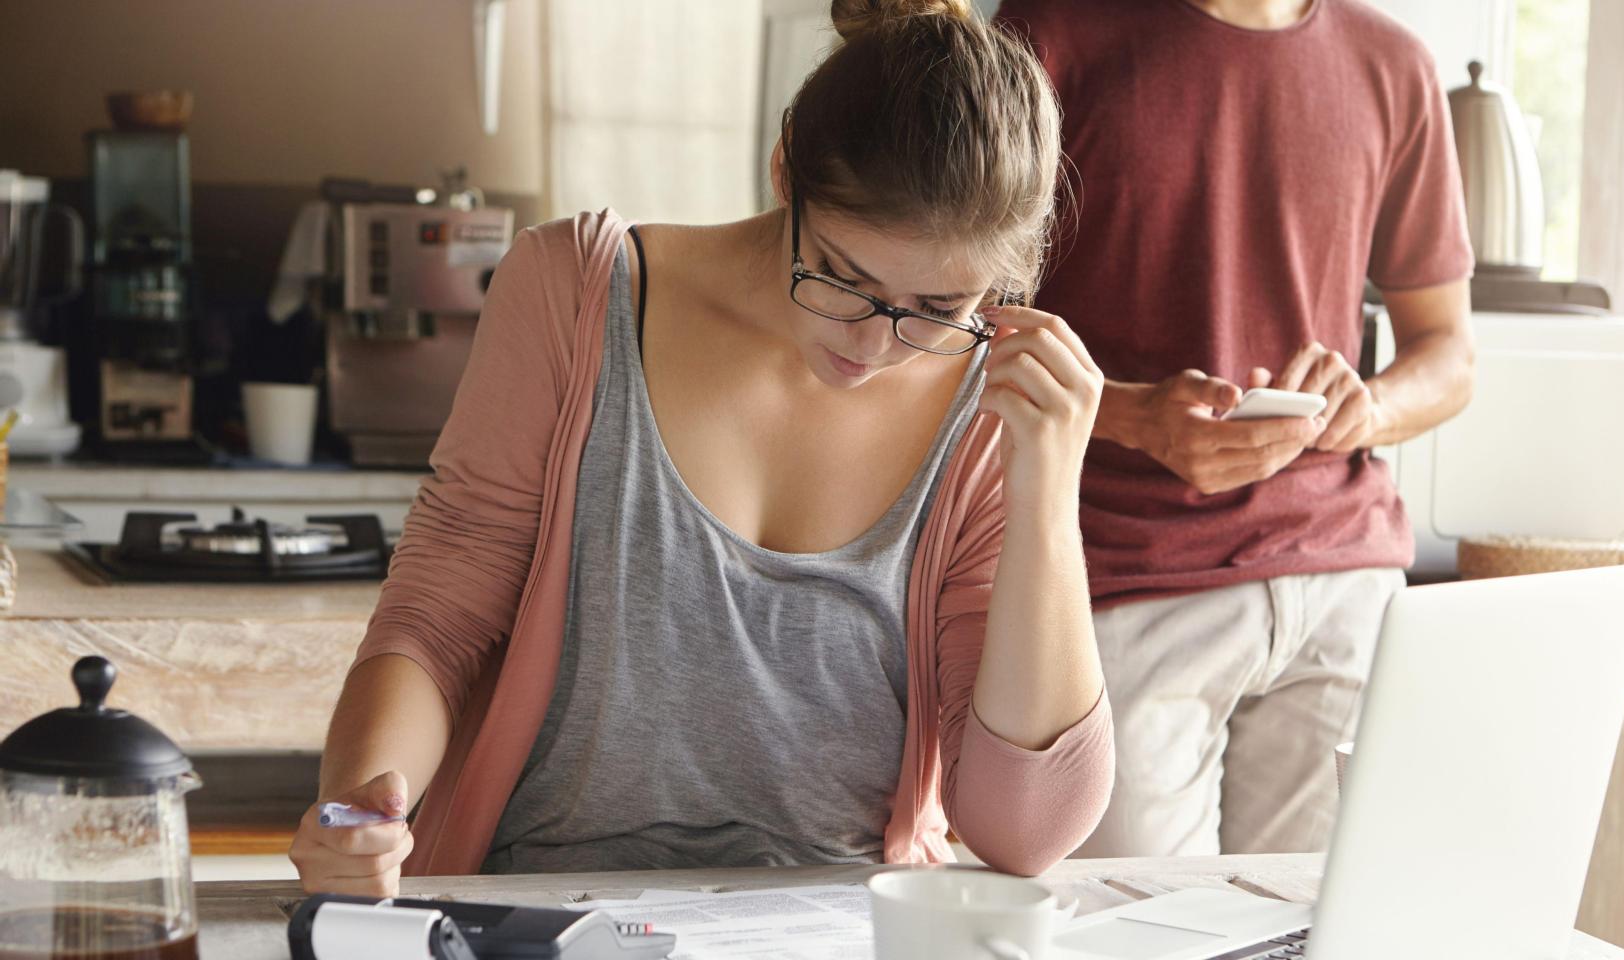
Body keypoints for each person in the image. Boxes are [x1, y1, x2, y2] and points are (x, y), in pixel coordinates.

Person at [290, 0, 1114, 896]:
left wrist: (1047, 496)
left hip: (844, 929)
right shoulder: (575, 293)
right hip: (547, 912)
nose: (874, 347)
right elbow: (437, 619)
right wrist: (363, 808)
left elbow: (1023, 833)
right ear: (782, 167)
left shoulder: (987, 401)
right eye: (842, 275)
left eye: (938, 310)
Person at [996, 0, 1475, 857]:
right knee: (1136, 938)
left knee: (1333, 933)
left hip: (1344, 585)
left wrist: (1372, 406)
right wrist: (1139, 415)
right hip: (1124, 585)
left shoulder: (1394, 65)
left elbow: (1448, 353)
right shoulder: (1048, 35)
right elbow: (957, 333)